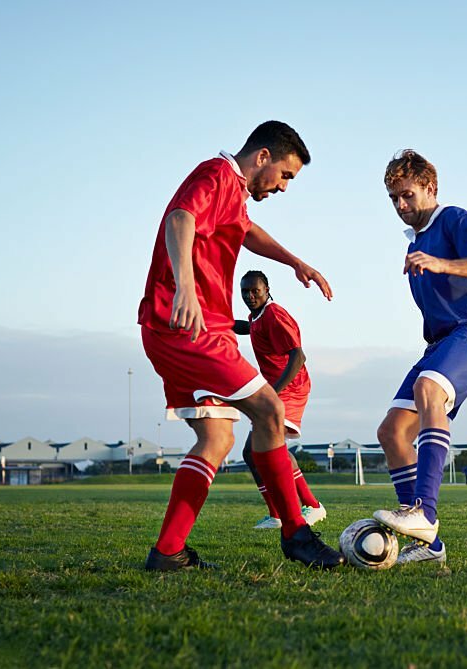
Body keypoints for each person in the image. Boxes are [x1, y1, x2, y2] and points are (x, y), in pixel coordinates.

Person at [138, 121, 344, 571]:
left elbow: (246, 231)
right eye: (286, 175)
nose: (284, 187)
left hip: (183, 327)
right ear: (263, 157)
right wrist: (186, 289)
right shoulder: (215, 174)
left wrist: (295, 262)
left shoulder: (233, 193)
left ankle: (168, 553)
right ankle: (296, 533)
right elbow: (180, 219)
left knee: (217, 438)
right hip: (188, 327)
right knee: (270, 411)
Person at [372, 149, 467, 566]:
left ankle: (424, 514)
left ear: (430, 189)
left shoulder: (454, 219)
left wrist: (440, 263)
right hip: (445, 343)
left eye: (407, 195)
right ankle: (429, 547)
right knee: (393, 433)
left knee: (428, 387)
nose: (400, 206)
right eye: (394, 198)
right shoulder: (416, 241)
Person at [233, 270, 326, 530]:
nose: (250, 296)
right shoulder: (258, 316)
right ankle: (276, 514)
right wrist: (222, 324)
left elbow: (298, 356)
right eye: (245, 292)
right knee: (253, 453)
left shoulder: (275, 314)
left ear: (267, 289)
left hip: (290, 387)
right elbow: (248, 327)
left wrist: (273, 392)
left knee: (269, 449)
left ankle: (312, 506)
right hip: (276, 389)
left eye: (255, 291)